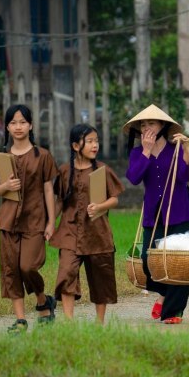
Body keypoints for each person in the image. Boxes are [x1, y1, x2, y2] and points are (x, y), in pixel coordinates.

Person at [125, 104, 189, 324]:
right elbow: (133, 177)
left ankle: (173, 311)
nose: (146, 128)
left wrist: (187, 151)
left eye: (151, 123)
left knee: (180, 262)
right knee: (148, 261)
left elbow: (185, 178)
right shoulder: (137, 152)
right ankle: (163, 293)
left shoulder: (175, 148)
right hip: (153, 213)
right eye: (143, 125)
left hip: (179, 210)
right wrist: (147, 151)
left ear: (162, 126)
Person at [0, 104, 58, 333]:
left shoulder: (42, 155)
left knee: (28, 266)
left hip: (35, 220)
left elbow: (49, 190)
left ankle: (42, 300)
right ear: (7, 127)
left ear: (31, 125)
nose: (18, 127)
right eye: (13, 122)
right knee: (11, 270)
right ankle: (20, 320)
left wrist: (50, 222)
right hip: (8, 221)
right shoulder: (2, 158)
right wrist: (6, 186)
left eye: (22, 122)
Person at [49, 124, 123, 323]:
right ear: (75, 146)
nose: (94, 145)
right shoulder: (65, 171)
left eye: (96, 141)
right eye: (89, 141)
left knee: (101, 277)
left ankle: (99, 323)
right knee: (66, 273)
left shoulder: (102, 170)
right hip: (69, 231)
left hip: (97, 233)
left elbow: (114, 199)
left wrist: (100, 207)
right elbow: (59, 201)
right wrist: (50, 224)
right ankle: (69, 323)